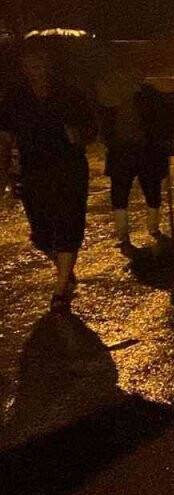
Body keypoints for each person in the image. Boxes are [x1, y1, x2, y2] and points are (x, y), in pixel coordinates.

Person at [0, 46, 96, 311]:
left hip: (69, 167)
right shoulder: (16, 98)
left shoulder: (69, 94)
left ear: (49, 66)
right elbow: (5, 136)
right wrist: (6, 170)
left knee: (69, 223)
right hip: (34, 170)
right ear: (24, 69)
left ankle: (60, 289)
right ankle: (64, 267)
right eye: (31, 66)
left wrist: (79, 134)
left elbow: (92, 126)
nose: (37, 71)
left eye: (40, 65)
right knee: (41, 233)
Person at [97, 61, 174, 251]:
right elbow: (167, 121)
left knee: (121, 193)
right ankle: (152, 228)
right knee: (149, 190)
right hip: (144, 150)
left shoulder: (112, 96)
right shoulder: (150, 95)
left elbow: (104, 125)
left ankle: (124, 234)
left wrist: (108, 141)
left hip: (124, 151)